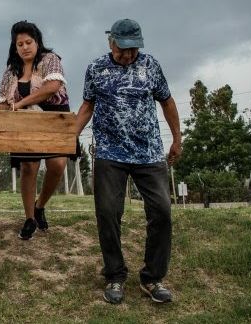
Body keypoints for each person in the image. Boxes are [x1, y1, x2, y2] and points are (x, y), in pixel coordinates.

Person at [76, 18, 182, 304]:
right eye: (123, 49)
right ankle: (114, 275)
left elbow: (167, 101)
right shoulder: (96, 68)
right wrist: (68, 136)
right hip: (110, 153)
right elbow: (87, 106)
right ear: (111, 43)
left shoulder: (151, 66)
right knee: (108, 213)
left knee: (162, 211)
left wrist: (177, 138)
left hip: (148, 152)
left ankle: (153, 278)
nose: (128, 54)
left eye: (134, 49)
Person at [0, 21, 75, 240]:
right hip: (25, 124)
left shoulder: (51, 60)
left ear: (37, 42)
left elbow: (52, 88)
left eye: (28, 42)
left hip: (54, 118)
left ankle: (40, 205)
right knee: (29, 167)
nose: (24, 47)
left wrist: (21, 103)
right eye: (19, 44)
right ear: (15, 47)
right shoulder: (11, 71)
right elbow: (4, 103)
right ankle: (30, 217)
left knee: (58, 164)